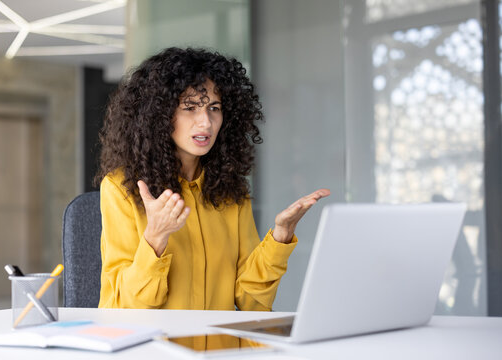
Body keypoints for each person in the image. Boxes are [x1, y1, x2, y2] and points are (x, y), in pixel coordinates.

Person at [96, 47, 330, 310]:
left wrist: (280, 237)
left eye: (214, 108)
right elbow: (124, 309)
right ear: (159, 115)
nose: (205, 122)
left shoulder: (230, 189)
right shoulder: (122, 189)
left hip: (224, 349)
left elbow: (249, 300)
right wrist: (155, 238)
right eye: (190, 108)